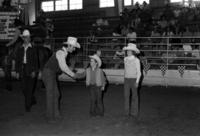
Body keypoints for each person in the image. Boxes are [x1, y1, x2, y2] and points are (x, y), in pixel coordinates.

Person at [41, 36, 80, 122]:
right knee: (51, 95)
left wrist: (72, 70)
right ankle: (50, 117)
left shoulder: (63, 53)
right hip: (48, 73)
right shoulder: (60, 52)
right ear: (69, 46)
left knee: (56, 94)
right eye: (73, 47)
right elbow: (63, 67)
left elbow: (63, 67)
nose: (74, 49)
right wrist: (74, 75)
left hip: (51, 73)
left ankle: (56, 114)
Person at [15, 29, 39, 112]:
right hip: (22, 70)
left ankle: (27, 106)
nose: (28, 39)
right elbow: (18, 61)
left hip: (31, 70)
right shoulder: (20, 49)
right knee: (23, 88)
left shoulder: (33, 49)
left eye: (29, 37)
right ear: (23, 38)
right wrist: (17, 72)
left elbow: (36, 61)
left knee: (29, 89)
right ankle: (32, 99)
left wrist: (34, 71)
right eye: (26, 37)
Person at [122, 43, 141, 118]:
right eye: (127, 50)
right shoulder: (125, 59)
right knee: (126, 96)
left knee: (134, 96)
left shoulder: (136, 60)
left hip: (133, 79)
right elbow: (125, 70)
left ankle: (134, 113)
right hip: (126, 79)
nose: (127, 51)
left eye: (129, 50)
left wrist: (137, 81)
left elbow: (139, 72)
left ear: (132, 51)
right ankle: (126, 112)